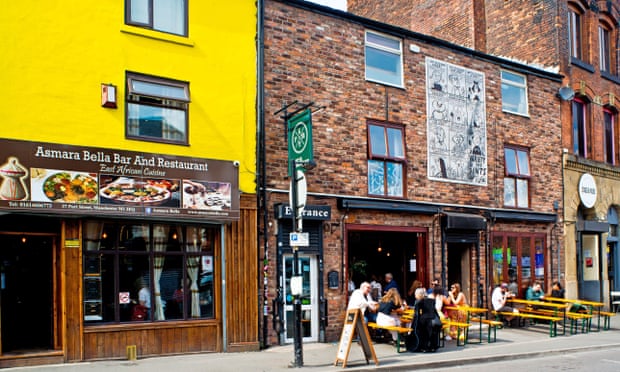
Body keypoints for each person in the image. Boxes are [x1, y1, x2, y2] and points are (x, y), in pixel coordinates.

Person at [406, 288, 442, 353]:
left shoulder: (419, 301)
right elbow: (435, 311)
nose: (415, 296)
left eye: (416, 295)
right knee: (433, 334)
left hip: (425, 320)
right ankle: (433, 347)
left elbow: (417, 314)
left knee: (424, 332)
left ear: (419, 295)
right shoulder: (431, 300)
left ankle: (425, 347)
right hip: (433, 319)